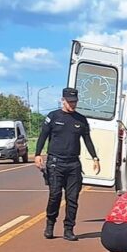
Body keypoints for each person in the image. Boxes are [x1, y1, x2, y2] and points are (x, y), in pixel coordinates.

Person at [34, 87, 100, 241]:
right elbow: (43, 136)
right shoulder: (53, 116)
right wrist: (37, 154)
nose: (72, 104)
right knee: (55, 196)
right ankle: (50, 224)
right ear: (62, 100)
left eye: (75, 102)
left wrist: (95, 158)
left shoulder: (80, 120)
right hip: (56, 162)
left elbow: (87, 140)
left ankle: (69, 229)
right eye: (70, 102)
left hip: (73, 164)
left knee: (72, 198)